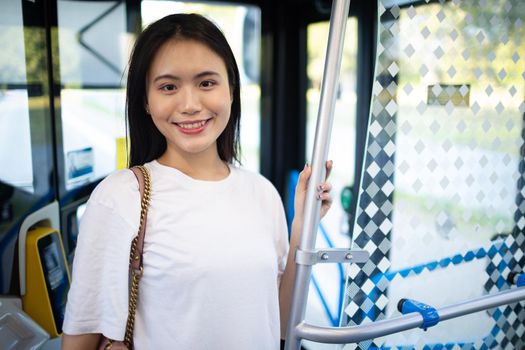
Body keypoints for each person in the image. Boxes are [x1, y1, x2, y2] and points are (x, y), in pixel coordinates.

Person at [61, 13, 332, 350]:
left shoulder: (262, 192)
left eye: (206, 83)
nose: (190, 105)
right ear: (146, 100)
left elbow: (279, 320)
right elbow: (79, 343)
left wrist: (301, 230)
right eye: (168, 87)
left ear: (231, 90)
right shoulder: (119, 198)